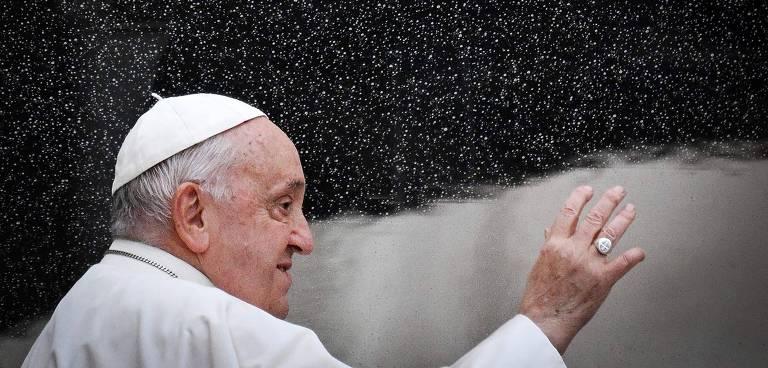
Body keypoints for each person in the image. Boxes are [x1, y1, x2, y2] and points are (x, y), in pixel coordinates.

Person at [22, 93, 645, 367]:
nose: (305, 238)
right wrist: (546, 321)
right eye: (281, 205)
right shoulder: (214, 330)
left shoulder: (79, 314)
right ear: (193, 214)